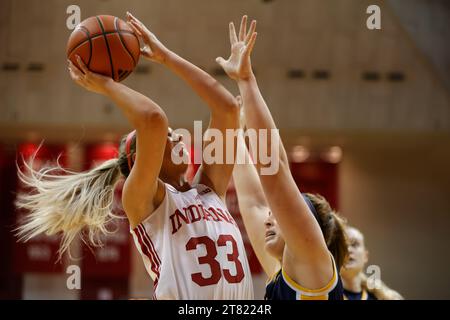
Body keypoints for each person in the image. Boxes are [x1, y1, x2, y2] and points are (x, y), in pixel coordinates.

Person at [15, 12, 253, 300]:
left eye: (174, 133)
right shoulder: (142, 200)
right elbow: (152, 119)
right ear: (143, 158)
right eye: (168, 137)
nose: (178, 136)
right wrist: (104, 84)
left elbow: (227, 108)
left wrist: (166, 57)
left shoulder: (209, 189)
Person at [216, 15, 347, 300]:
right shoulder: (284, 273)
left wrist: (247, 80)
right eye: (273, 216)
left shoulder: (315, 266)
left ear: (305, 226)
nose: (267, 220)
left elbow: (274, 175)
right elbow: (252, 201)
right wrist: (234, 133)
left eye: (277, 216)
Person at [341, 226, 404, 300]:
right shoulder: (327, 295)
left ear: (365, 256)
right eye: (342, 246)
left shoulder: (383, 297)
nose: (348, 250)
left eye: (354, 244)